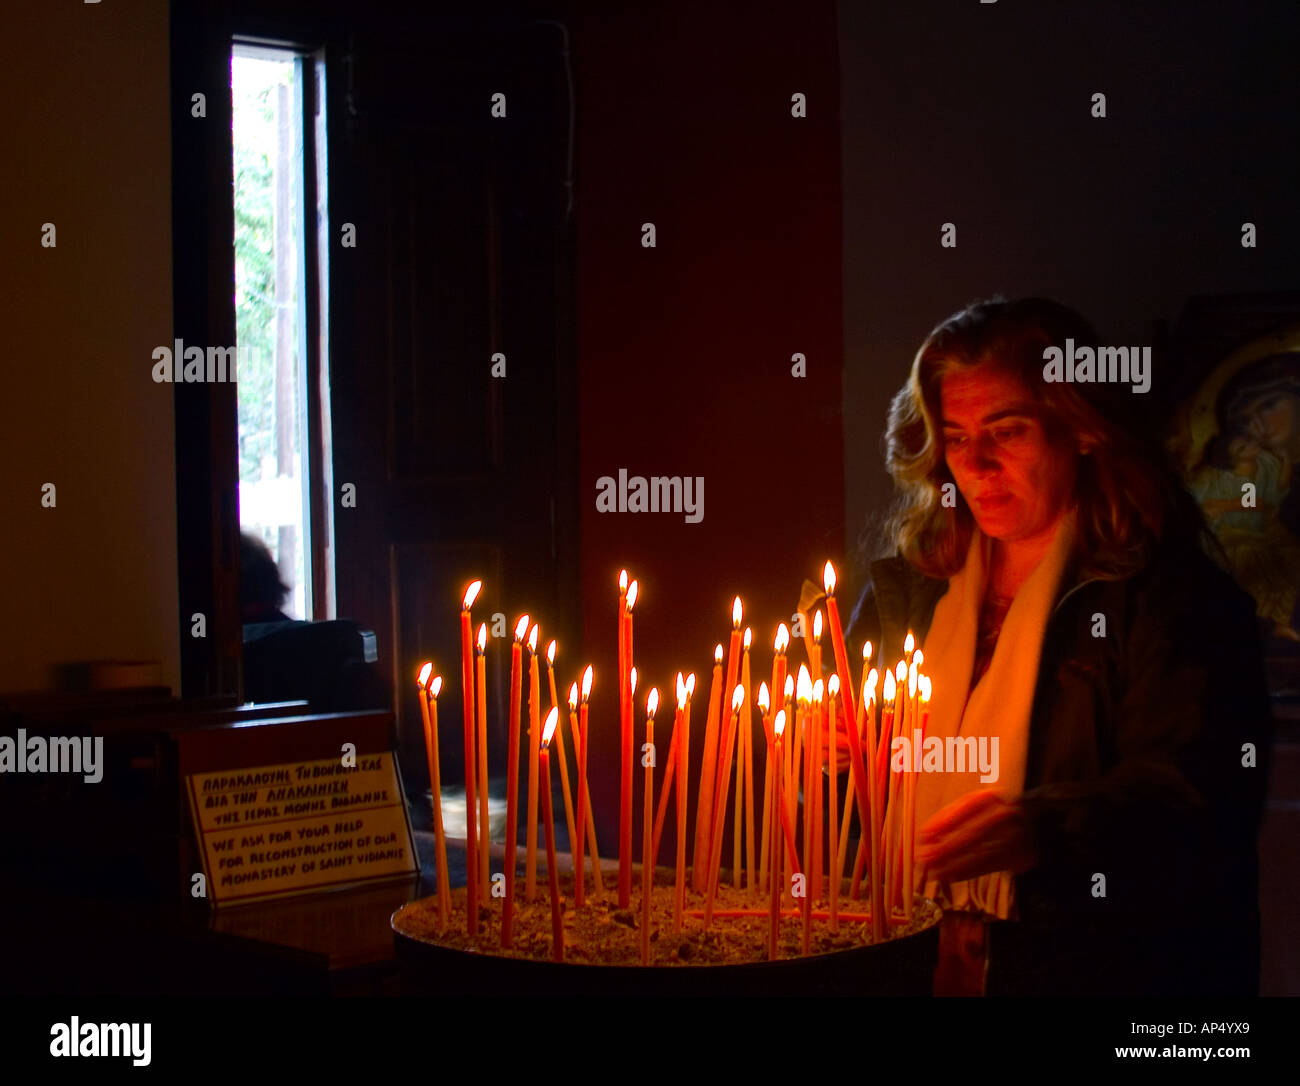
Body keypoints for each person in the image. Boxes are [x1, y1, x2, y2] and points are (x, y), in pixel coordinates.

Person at [842, 297, 1272, 996]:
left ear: (1081, 429)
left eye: (1006, 432)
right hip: (902, 958)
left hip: (1086, 973)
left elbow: (1203, 799)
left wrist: (1049, 826)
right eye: (954, 437)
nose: (975, 464)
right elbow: (828, 806)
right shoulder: (914, 588)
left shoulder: (1168, 599)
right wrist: (829, 755)